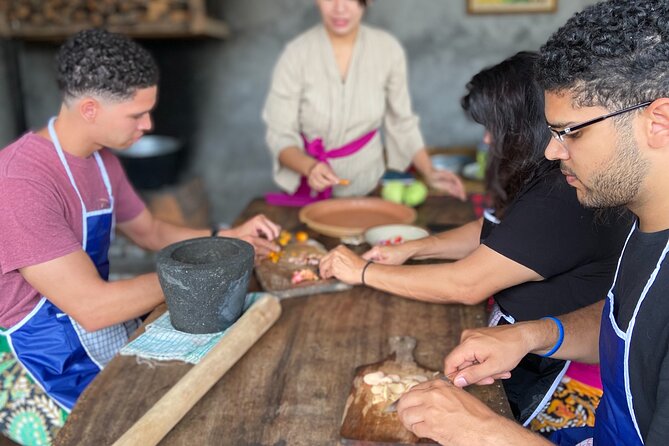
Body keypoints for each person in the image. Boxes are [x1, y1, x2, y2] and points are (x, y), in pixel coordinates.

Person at [394, 1, 669, 444]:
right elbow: (631, 322)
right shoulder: (646, 223)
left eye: (572, 132)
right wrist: (532, 336)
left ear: (659, 121)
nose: (551, 152)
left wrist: (483, 432)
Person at [320, 51, 631, 431]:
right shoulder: (543, 176)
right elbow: (499, 231)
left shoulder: (561, 195)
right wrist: (415, 247)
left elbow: (466, 283)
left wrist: (362, 271)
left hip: (563, 374)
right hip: (525, 342)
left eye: (492, 127)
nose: (486, 138)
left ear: (520, 124)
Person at [0, 29, 281, 445]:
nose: (148, 125)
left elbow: (149, 230)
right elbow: (92, 306)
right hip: (32, 362)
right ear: (91, 109)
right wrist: (204, 276)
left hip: (95, 327)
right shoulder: (21, 182)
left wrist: (224, 236)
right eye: (136, 115)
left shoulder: (101, 160)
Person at [262, 0, 465, 206]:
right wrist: (309, 167)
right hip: (307, 191)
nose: (340, 7)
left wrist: (429, 172)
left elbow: (402, 122)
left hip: (368, 187)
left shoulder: (387, 50)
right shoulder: (296, 54)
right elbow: (280, 134)